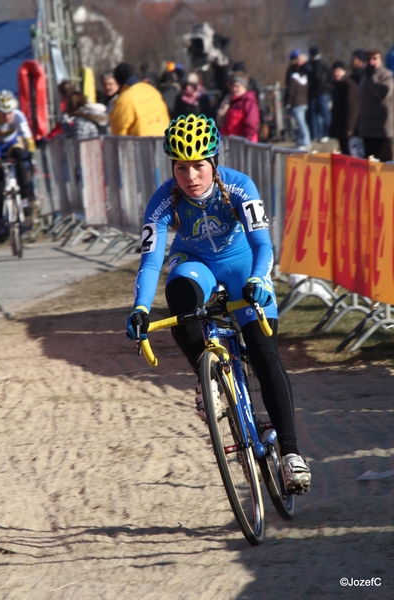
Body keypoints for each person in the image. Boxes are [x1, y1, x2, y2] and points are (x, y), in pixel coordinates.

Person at [125, 114, 311, 493]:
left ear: (213, 161)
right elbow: (150, 260)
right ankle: (205, 373)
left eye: (198, 166)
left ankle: (291, 454)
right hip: (195, 264)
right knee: (179, 296)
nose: (190, 176)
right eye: (181, 167)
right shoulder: (163, 201)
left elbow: (262, 245)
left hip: (243, 266)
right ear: (172, 167)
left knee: (263, 351)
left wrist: (259, 279)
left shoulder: (240, 187)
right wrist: (140, 308)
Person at [0, 90, 35, 243]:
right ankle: (1, 222)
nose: (6, 117)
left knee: (19, 157)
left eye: (9, 113)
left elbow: (27, 136)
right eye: (2, 114)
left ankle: (24, 200)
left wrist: (30, 152)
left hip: (12, 144)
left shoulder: (18, 116)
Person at [110, 63, 169, 136]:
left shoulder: (123, 100)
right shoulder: (151, 89)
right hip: (164, 140)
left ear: (117, 81)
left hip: (142, 144)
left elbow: (118, 134)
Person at [359, 49, 394, 162]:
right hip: (367, 130)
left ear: (381, 60)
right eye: (369, 59)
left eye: (375, 58)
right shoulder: (364, 77)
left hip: (382, 131)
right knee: (369, 167)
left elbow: (383, 94)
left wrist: (372, 79)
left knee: (384, 166)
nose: (371, 62)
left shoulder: (387, 76)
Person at [218, 71, 260, 142]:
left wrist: (247, 142)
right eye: (232, 86)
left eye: (237, 86)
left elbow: (251, 124)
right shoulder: (229, 102)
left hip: (243, 144)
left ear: (244, 87)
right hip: (231, 143)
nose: (234, 89)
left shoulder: (249, 102)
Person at [329, 60, 360, 155]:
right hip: (340, 127)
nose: (336, 74)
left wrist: (349, 127)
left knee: (351, 154)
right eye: (334, 72)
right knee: (344, 152)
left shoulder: (349, 85)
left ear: (344, 71)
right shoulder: (336, 85)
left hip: (348, 128)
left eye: (338, 71)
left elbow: (352, 108)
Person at [307, 46, 332, 142]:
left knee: (323, 113)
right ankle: (322, 134)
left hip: (321, 92)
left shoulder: (317, 65)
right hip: (324, 91)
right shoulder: (323, 64)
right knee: (322, 114)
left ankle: (324, 134)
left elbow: (319, 80)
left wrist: (316, 90)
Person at [286, 53, 311, 150]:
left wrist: (288, 102)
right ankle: (302, 140)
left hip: (296, 104)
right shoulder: (305, 79)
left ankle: (305, 141)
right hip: (304, 103)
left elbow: (291, 92)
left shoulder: (293, 79)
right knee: (302, 122)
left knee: (300, 123)